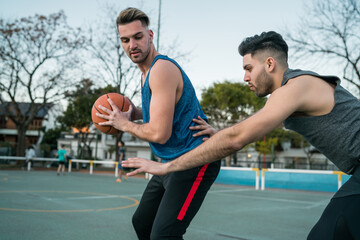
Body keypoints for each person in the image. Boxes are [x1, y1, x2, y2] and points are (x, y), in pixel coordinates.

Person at [122, 31, 360, 239]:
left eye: (248, 68)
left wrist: (167, 167)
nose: (245, 77)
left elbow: (237, 138)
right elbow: (249, 131)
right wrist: (220, 134)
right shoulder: (292, 93)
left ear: (269, 64)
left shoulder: (294, 87)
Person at [96, 7, 220, 239]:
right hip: (172, 160)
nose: (131, 44)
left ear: (150, 35)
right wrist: (134, 115)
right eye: (125, 39)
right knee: (142, 222)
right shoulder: (146, 73)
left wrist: (124, 125)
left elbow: (160, 133)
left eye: (137, 37)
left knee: (164, 235)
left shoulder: (161, 69)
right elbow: (163, 112)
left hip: (196, 160)